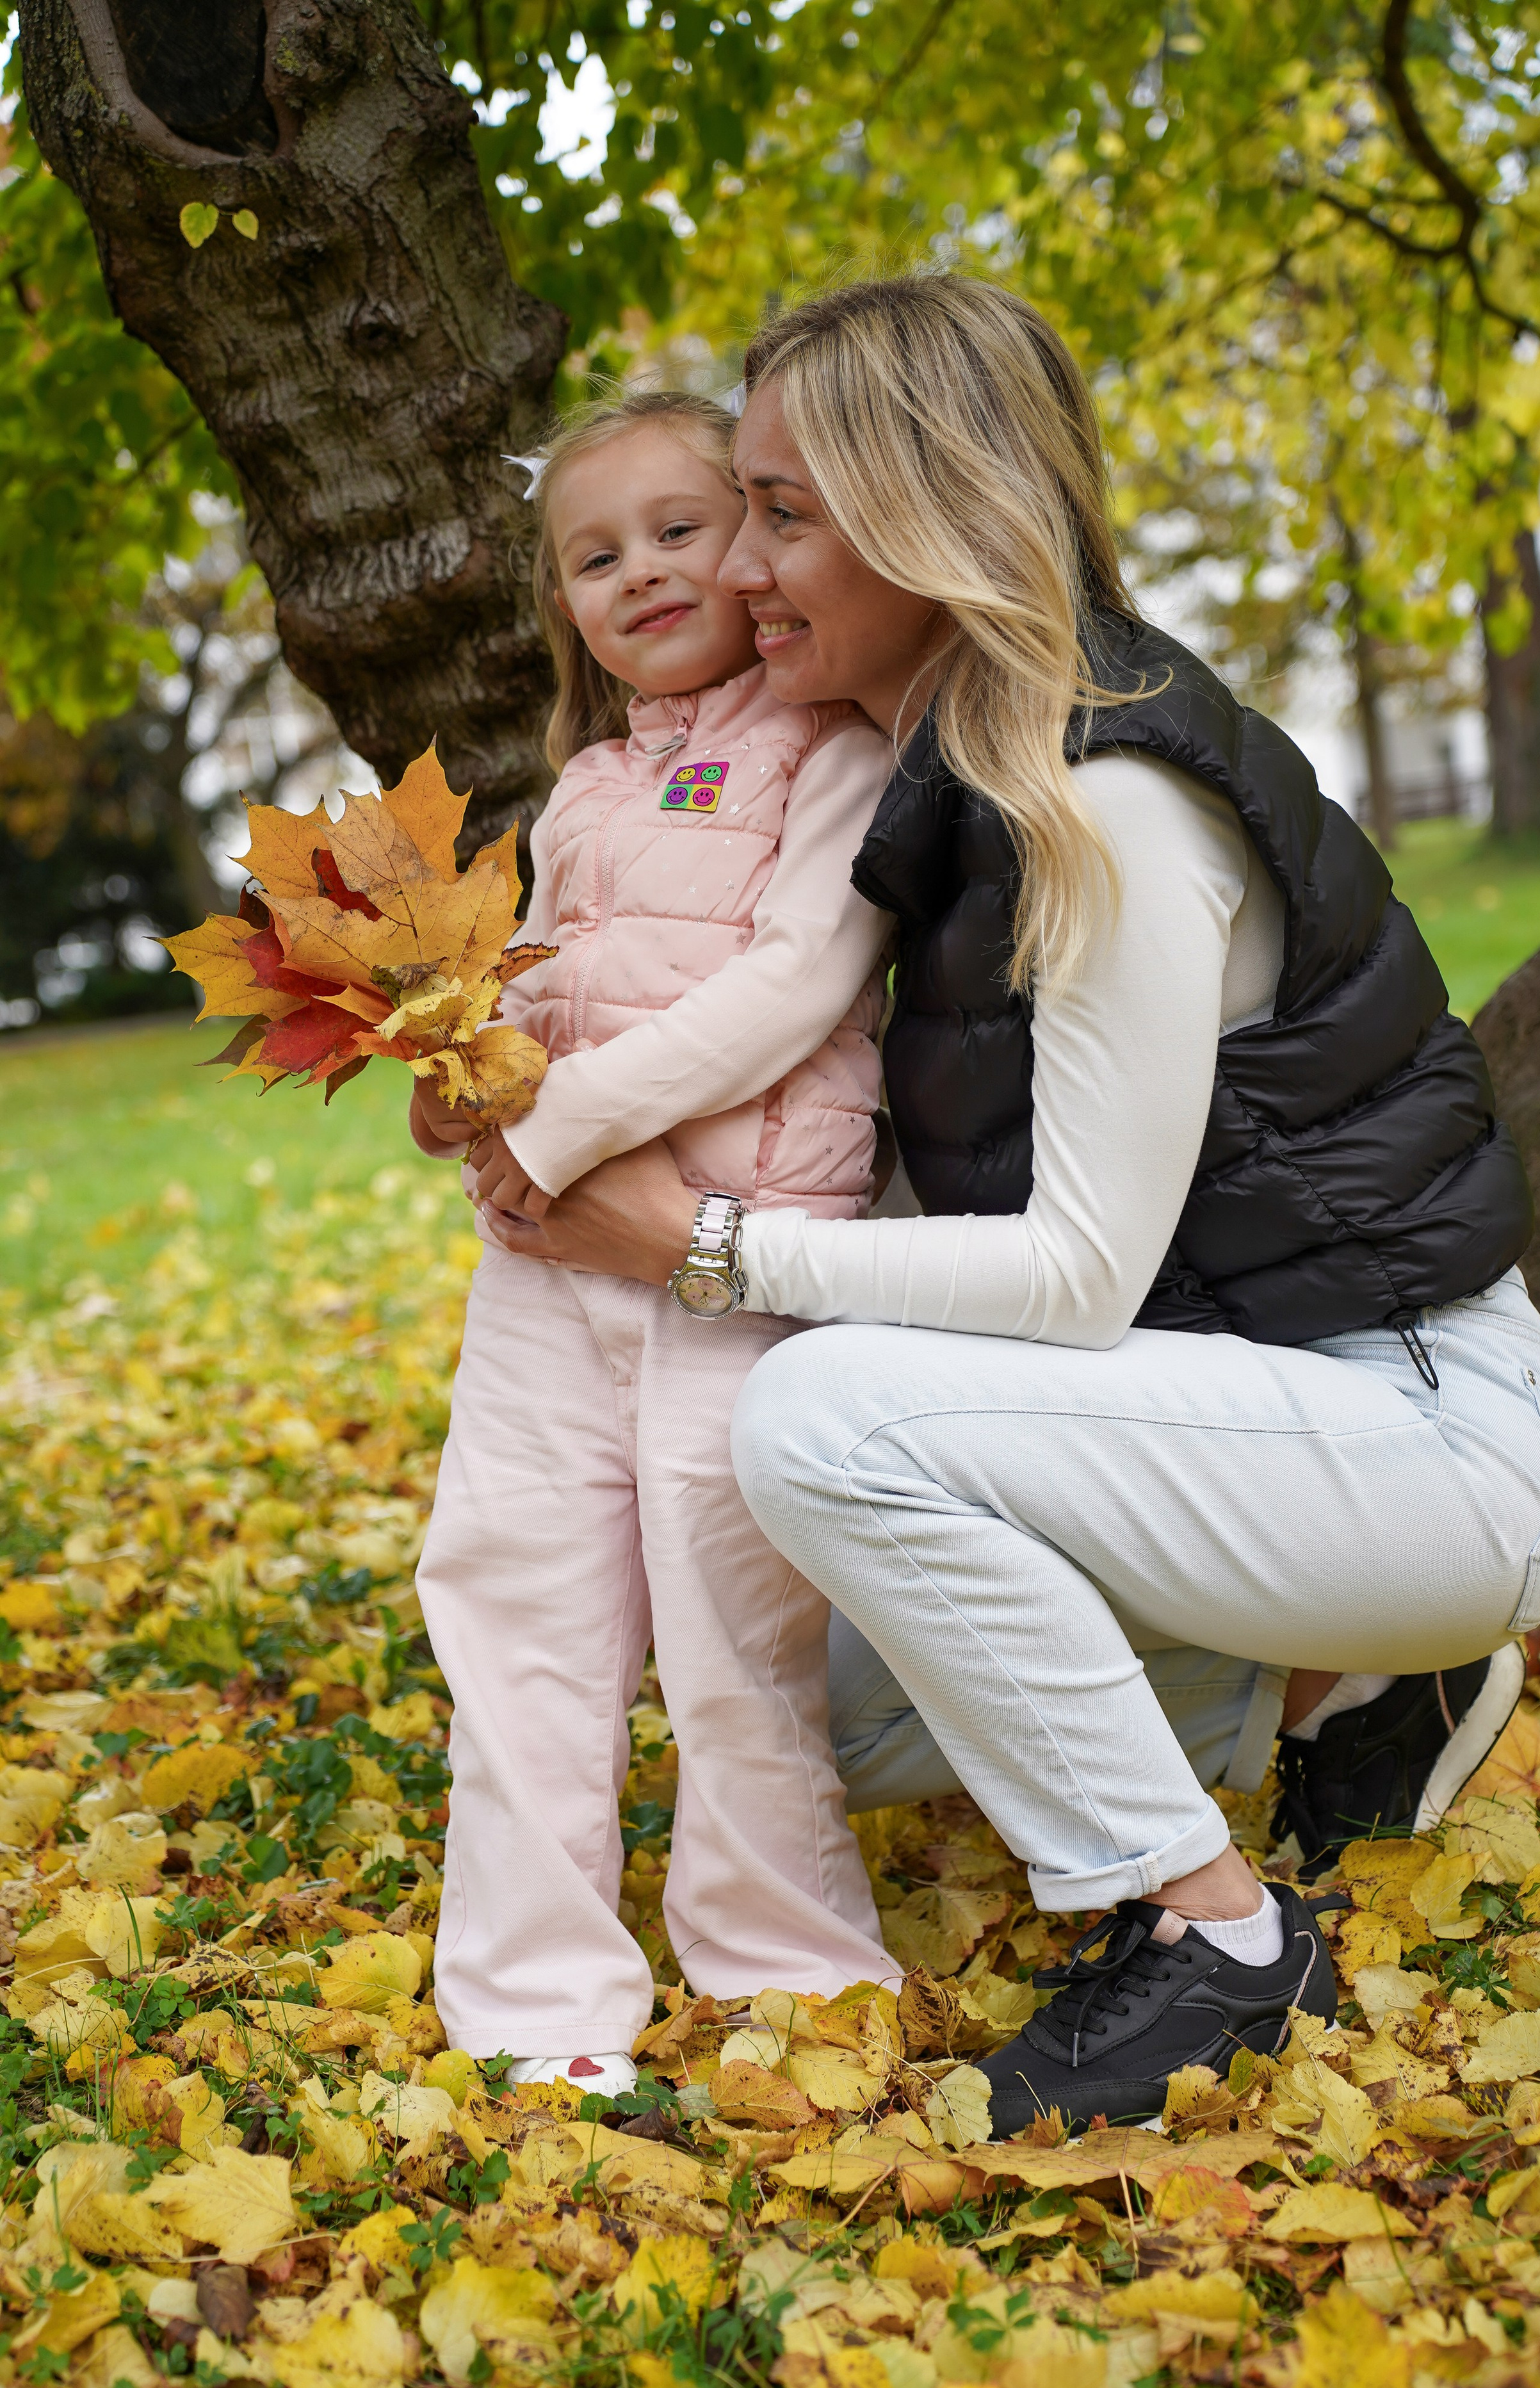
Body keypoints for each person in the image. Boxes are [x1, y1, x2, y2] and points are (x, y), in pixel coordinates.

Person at [471, 276, 1540, 2134]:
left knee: (816, 1419)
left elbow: (1073, 1278)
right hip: (1228, 1403)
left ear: (930, 513)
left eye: (784, 512)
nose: (739, 565)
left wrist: (702, 1247)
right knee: (787, 1673)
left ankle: (1216, 1936)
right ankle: (1325, 1685)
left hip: (1413, 1424)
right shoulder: (945, 787)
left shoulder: (1115, 803)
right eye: (742, 506)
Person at [408, 389, 903, 2093]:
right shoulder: (583, 786)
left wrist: (559, 1126)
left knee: (730, 1628)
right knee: (516, 1600)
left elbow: (799, 986)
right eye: (595, 555)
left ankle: (792, 1982)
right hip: (546, 1275)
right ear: (563, 602)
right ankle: (536, 2007)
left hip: (725, 1253)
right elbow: (531, 995)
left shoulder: (835, 749)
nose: (641, 573)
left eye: (680, 529)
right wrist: (473, 1088)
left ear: (759, 540)